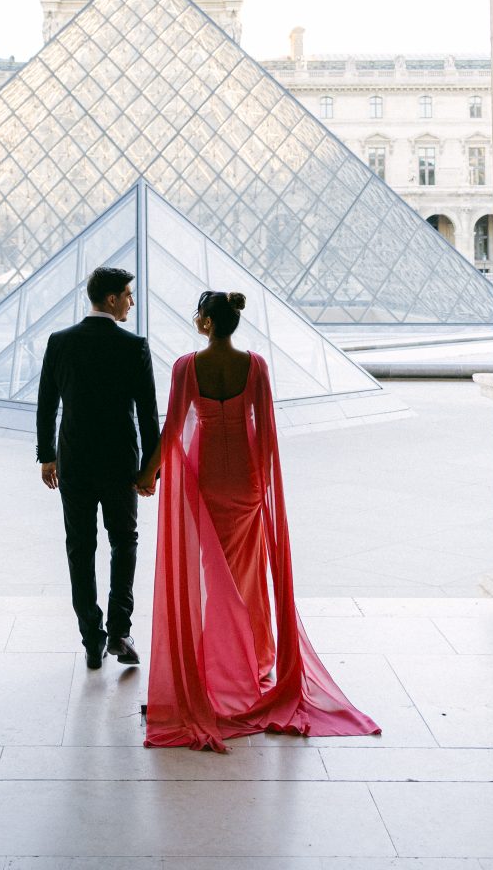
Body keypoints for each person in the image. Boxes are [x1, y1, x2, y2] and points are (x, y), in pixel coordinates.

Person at [136, 289, 380, 750]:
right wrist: (264, 489)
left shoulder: (187, 367)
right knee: (247, 577)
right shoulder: (256, 366)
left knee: (214, 577)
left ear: (207, 321)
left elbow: (172, 427)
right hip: (246, 480)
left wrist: (148, 474)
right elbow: (266, 431)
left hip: (207, 480)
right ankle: (255, 656)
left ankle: (218, 659)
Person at [36, 265, 160, 669]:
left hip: (73, 462)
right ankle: (120, 633)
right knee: (124, 542)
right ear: (111, 299)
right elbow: (148, 415)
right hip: (120, 463)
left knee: (80, 547)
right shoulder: (134, 346)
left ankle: (91, 637)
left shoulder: (59, 342)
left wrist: (47, 455)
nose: (131, 301)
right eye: (128, 294)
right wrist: (149, 470)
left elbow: (46, 405)